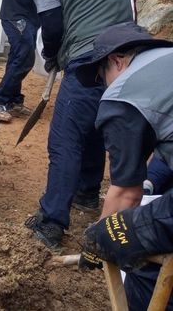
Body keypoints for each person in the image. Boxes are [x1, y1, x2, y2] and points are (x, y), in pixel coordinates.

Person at [0, 0, 132, 250]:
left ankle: (52, 221)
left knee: (65, 138)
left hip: (89, 55)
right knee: (95, 123)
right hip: (127, 55)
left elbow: (53, 25)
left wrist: (53, 54)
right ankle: (87, 192)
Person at [73, 22, 173, 308]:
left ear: (117, 61)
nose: (104, 86)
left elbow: (127, 194)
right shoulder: (165, 64)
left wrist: (99, 241)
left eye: (101, 76)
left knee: (143, 265)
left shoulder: (122, 96)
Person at [0, 0, 40, 120]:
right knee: (24, 58)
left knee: (17, 57)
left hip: (27, 17)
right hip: (17, 17)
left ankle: (13, 101)